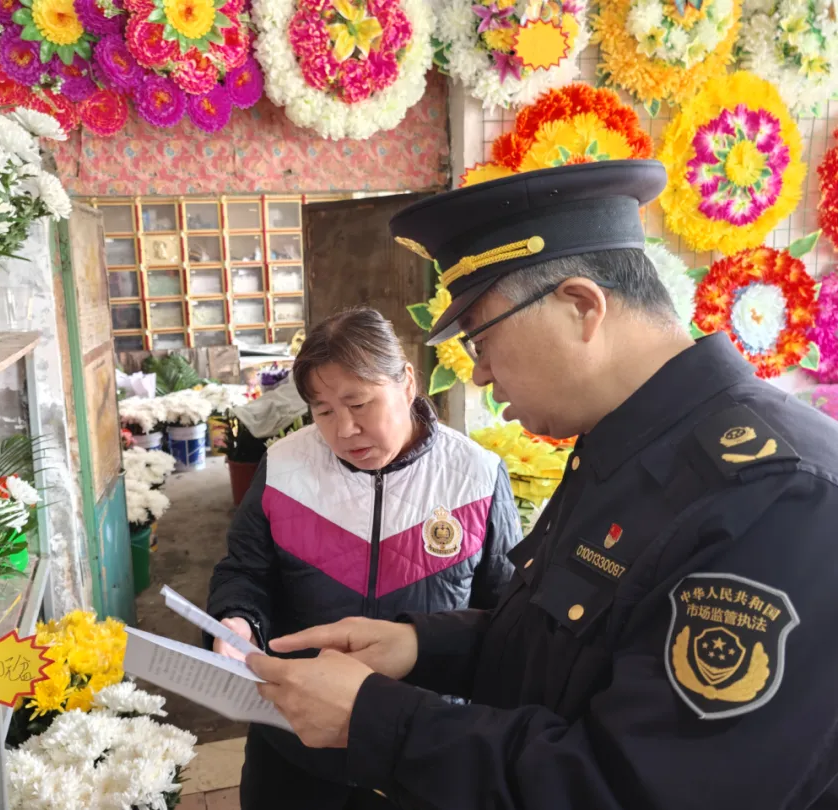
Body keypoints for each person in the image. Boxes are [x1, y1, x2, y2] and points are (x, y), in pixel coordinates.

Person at [244, 160, 838, 809]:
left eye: (483, 338)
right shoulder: (625, 446)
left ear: (581, 306)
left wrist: (378, 722)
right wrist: (421, 645)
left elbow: (635, 788)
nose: (480, 375)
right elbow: (552, 646)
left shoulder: (779, 496)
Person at [206, 307, 523, 810]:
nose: (346, 429)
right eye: (324, 410)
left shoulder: (475, 475)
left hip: (421, 747)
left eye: (359, 402)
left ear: (407, 383)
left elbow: (507, 611)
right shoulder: (286, 466)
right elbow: (245, 570)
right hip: (295, 740)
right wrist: (237, 619)